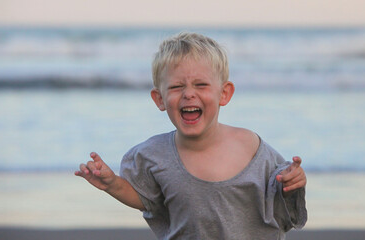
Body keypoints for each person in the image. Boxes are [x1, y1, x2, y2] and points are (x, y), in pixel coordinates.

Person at [75, 32, 307, 240]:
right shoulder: (154, 155)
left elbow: (280, 196)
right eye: (176, 87)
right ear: (160, 99)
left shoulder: (250, 146)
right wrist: (113, 184)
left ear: (224, 94)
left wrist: (293, 181)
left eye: (201, 84)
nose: (188, 94)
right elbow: (145, 199)